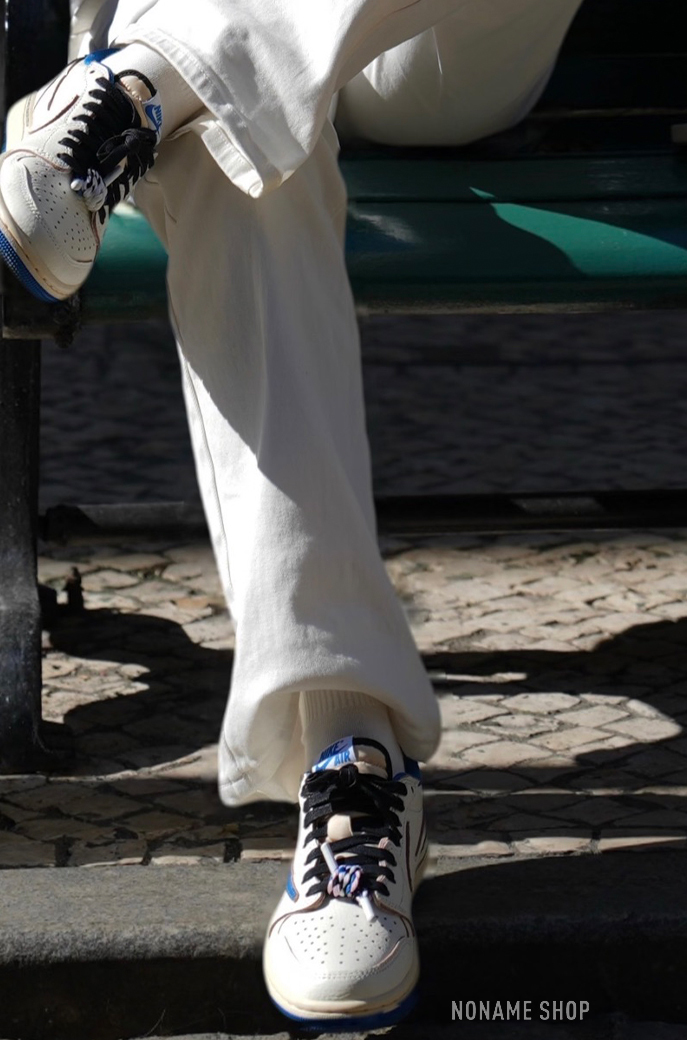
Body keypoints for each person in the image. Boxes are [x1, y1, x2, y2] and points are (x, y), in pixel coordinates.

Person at [0, 0, 583, 1028]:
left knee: (204, 82)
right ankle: (348, 757)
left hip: (436, 43)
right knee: (228, 157)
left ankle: (148, 85)